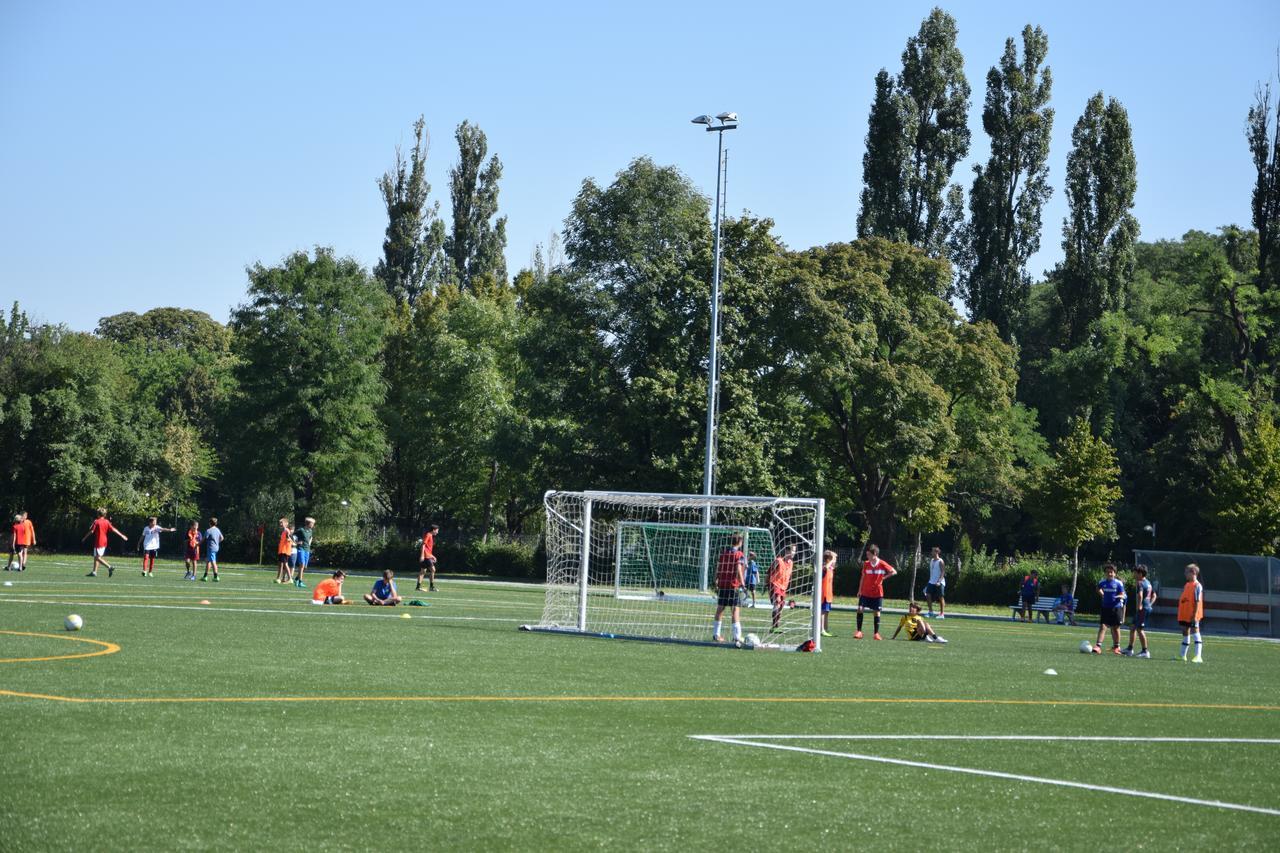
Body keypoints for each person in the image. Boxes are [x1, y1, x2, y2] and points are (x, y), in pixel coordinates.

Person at [854, 544, 896, 640]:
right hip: (865, 592)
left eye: (869, 554)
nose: (867, 556)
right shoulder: (866, 564)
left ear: (875, 554)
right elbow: (863, 577)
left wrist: (883, 578)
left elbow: (894, 571)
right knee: (860, 608)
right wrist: (859, 590)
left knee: (876, 612)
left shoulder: (882, 563)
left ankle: (876, 633)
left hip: (877, 593)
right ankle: (859, 631)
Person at [712, 534, 746, 644]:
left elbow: (718, 567)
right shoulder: (739, 554)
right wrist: (743, 583)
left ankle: (716, 634)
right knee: (735, 610)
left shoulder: (724, 553)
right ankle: (737, 636)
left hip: (723, 584)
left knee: (720, 609)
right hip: (733, 585)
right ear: (740, 542)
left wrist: (716, 579)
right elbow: (739, 569)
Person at [1092, 563, 1127, 654]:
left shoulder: (1118, 583)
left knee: (1116, 628)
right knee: (1103, 626)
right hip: (1105, 608)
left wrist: (1117, 597)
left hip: (1116, 608)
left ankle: (1117, 647)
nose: (1109, 574)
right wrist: (1102, 594)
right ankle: (1098, 646)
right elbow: (1097, 589)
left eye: (1111, 572)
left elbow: (1123, 594)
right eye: (1107, 572)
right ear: (1105, 573)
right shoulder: (1102, 582)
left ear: (1115, 573)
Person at [82, 508, 127, 577]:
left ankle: (109, 567)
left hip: (99, 541)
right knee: (97, 556)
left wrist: (84, 538)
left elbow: (91, 531)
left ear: (98, 514)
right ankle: (94, 572)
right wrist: (122, 535)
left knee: (97, 557)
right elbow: (113, 529)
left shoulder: (96, 521)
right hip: (104, 541)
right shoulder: (107, 521)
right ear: (105, 514)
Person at [1123, 565, 1155, 658]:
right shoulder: (1148, 583)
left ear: (1140, 574)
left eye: (1135, 572)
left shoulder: (1140, 583)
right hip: (1145, 608)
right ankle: (1129, 649)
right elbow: (1154, 595)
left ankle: (1145, 651)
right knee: (1132, 627)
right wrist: (1150, 604)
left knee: (1139, 629)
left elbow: (1140, 595)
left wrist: (1140, 605)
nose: (1133, 574)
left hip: (1142, 610)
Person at [1177, 563, 1204, 663]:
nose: (1185, 574)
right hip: (1185, 614)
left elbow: (1197, 601)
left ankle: (1198, 656)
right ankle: (1182, 655)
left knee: (1195, 632)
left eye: (1186, 572)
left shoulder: (1197, 586)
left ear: (1193, 572)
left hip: (1193, 614)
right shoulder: (1187, 584)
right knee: (1185, 632)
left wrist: (1194, 614)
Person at [768, 544, 796, 631]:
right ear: (787, 551)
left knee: (780, 606)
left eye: (795, 551)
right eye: (793, 550)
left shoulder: (791, 563)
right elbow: (768, 572)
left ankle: (776, 626)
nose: (794, 553)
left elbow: (788, 576)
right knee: (777, 602)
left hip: (783, 587)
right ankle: (774, 626)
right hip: (775, 584)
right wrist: (767, 585)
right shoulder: (778, 561)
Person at [292, 516, 315, 589]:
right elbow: (292, 536)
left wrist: (309, 543)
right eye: (313, 523)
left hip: (307, 549)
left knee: (304, 567)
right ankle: (300, 581)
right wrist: (297, 542)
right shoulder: (301, 530)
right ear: (309, 523)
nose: (313, 525)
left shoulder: (310, 531)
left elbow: (311, 537)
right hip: (301, 549)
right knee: (302, 565)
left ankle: (296, 579)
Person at [924, 546, 946, 618]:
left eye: (933, 551)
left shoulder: (940, 561)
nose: (931, 552)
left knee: (940, 597)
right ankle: (930, 612)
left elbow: (943, 572)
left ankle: (942, 614)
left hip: (939, 582)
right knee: (927, 595)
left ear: (937, 552)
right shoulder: (931, 560)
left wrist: (939, 581)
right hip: (931, 581)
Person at [417, 523, 439, 592]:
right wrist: (422, 555)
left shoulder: (430, 536)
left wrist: (432, 556)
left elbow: (428, 548)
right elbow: (423, 545)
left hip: (428, 555)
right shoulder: (428, 535)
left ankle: (418, 587)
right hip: (426, 556)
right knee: (433, 570)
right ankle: (431, 587)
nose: (437, 532)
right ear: (434, 530)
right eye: (437, 530)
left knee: (423, 571)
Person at [820, 550, 836, 637]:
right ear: (829, 559)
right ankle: (821, 629)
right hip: (824, 594)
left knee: (826, 612)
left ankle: (826, 629)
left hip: (829, 595)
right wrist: (831, 560)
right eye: (834, 559)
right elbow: (826, 567)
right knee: (822, 612)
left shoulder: (830, 569)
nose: (835, 561)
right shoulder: (824, 568)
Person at [203, 517, 223, 582]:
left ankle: (216, 576)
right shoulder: (217, 530)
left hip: (211, 548)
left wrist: (197, 544)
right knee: (208, 561)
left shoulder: (208, 530)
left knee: (213, 562)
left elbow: (204, 538)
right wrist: (217, 542)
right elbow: (222, 538)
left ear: (209, 523)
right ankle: (205, 576)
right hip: (216, 547)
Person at [275, 517, 294, 585]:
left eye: (282, 523)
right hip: (281, 550)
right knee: (280, 564)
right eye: (280, 523)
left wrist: (290, 540)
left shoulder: (286, 531)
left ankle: (290, 579)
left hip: (285, 550)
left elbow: (289, 538)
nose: (280, 524)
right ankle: (278, 578)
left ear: (286, 523)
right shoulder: (283, 531)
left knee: (285, 564)